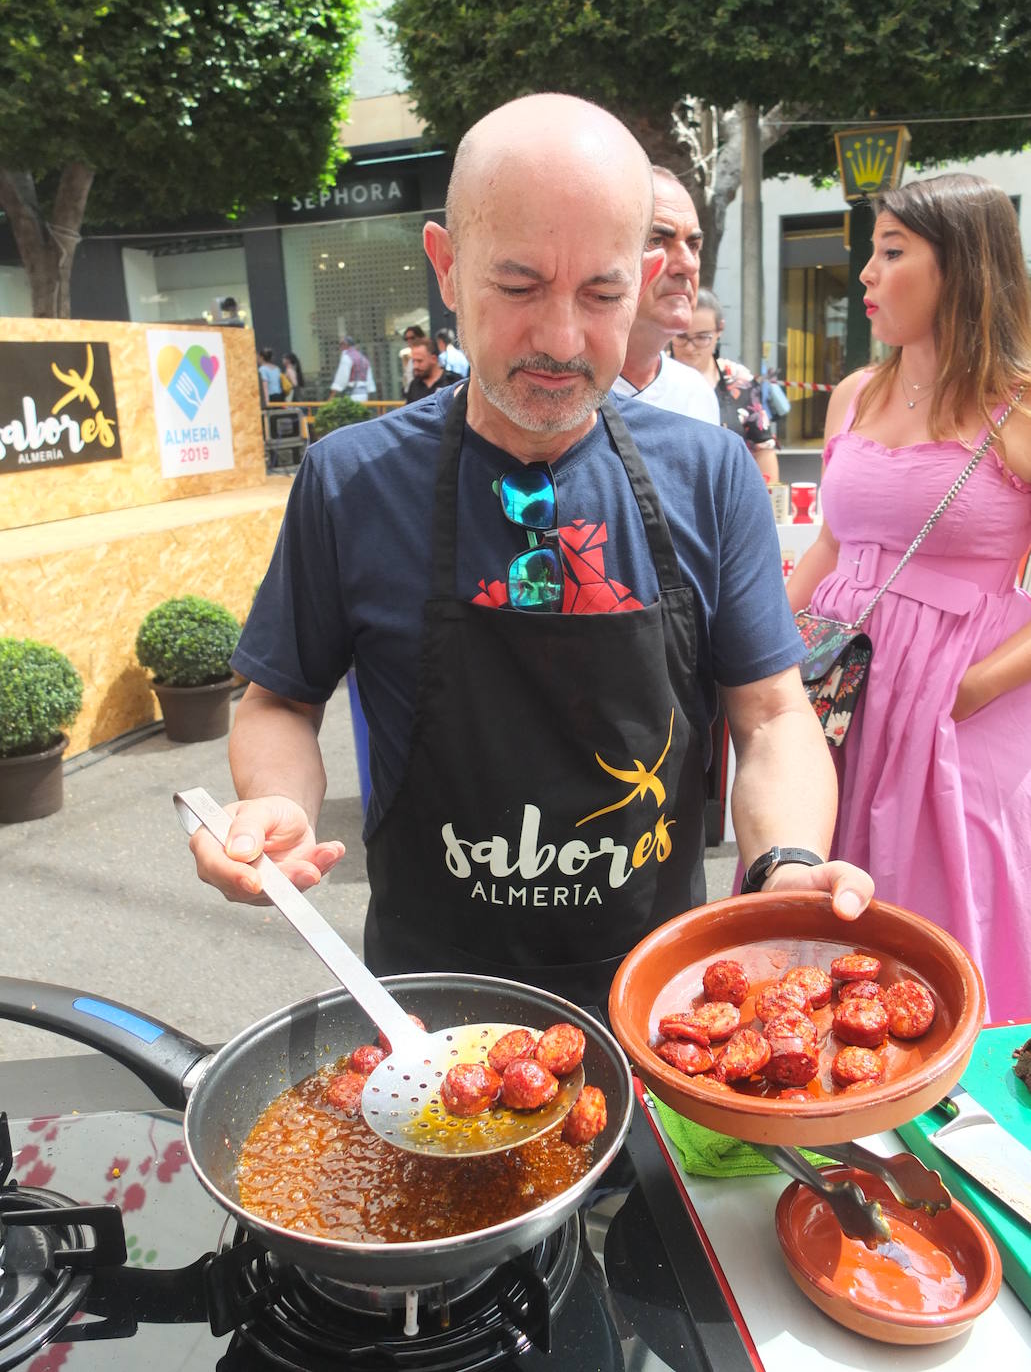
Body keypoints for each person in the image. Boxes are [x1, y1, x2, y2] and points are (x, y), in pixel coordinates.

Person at [189, 93, 872, 1008]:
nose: (559, 339)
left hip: (660, 999)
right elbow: (280, 698)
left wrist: (785, 863)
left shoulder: (708, 472)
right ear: (445, 264)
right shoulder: (349, 480)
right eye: (517, 287)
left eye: (600, 294)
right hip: (425, 1009)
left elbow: (772, 716)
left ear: (642, 276)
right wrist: (278, 805)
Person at [786, 173, 1031, 1022]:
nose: (865, 275)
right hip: (842, 684)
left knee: (956, 900)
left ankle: (965, 1105)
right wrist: (770, 649)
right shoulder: (856, 392)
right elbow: (829, 542)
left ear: (961, 267)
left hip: (961, 699)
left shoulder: (1020, 408)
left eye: (891, 252)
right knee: (835, 887)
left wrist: (974, 687)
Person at [611, 168, 719, 425]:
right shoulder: (556, 389)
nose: (688, 265)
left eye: (693, 246)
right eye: (657, 240)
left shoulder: (696, 394)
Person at [672, 289, 779, 483]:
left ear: (719, 330)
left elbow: (763, 448)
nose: (690, 347)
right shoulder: (652, 377)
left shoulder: (739, 380)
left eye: (702, 337)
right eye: (681, 337)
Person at [405, 338, 461, 403]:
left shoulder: (453, 381)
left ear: (434, 359)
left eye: (419, 361)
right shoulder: (414, 385)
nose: (415, 366)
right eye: (413, 361)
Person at [330, 338, 376, 402]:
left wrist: (331, 398)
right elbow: (369, 381)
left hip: (352, 395)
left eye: (340, 345)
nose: (340, 348)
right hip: (364, 394)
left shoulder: (347, 357)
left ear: (345, 345)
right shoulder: (363, 358)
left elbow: (341, 379)